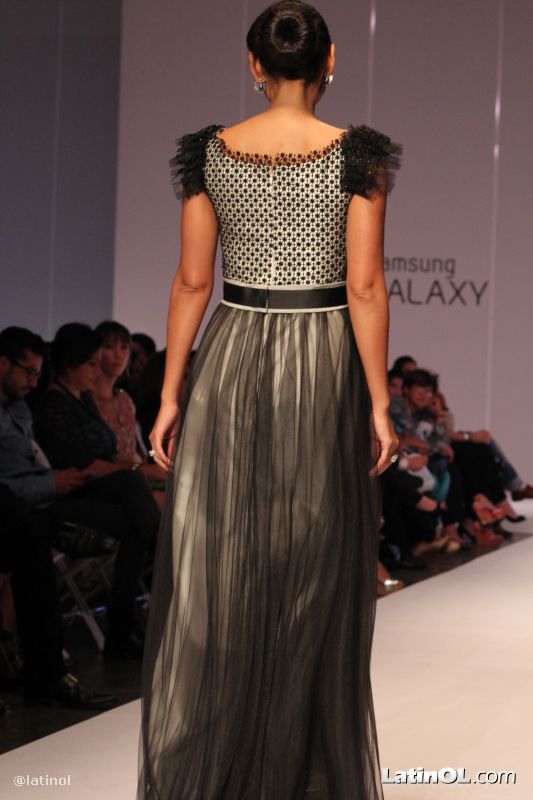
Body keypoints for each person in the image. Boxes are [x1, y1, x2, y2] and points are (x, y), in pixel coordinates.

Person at [137, 3, 401, 798]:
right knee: (311, 562)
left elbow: (192, 282)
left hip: (231, 356)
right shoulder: (357, 156)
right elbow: (364, 286)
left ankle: (221, 765)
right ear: (330, 61)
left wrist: (170, 392)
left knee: (223, 560)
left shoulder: (209, 153)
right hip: (320, 359)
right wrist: (378, 403)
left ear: (253, 64)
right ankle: (296, 769)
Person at [0, 324, 161, 658]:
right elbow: (76, 465)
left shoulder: (31, 407)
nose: (98, 369)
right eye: (92, 362)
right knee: (139, 514)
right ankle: (123, 626)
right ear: (70, 364)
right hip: (52, 497)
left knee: (136, 500)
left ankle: (122, 627)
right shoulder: (51, 405)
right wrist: (54, 481)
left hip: (63, 488)